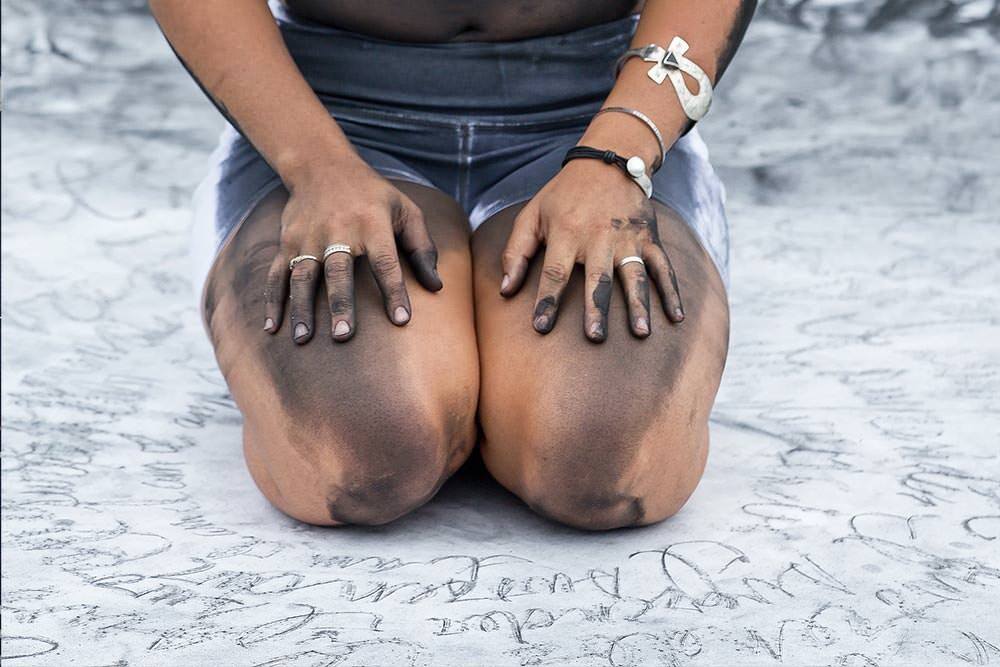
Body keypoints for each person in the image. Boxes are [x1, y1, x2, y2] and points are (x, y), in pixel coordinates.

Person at [150, 0, 754, 529]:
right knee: (354, 459)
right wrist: (316, 167)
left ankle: (486, 390)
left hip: (598, 116)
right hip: (328, 121)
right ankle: (473, 391)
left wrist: (617, 157)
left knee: (608, 464)